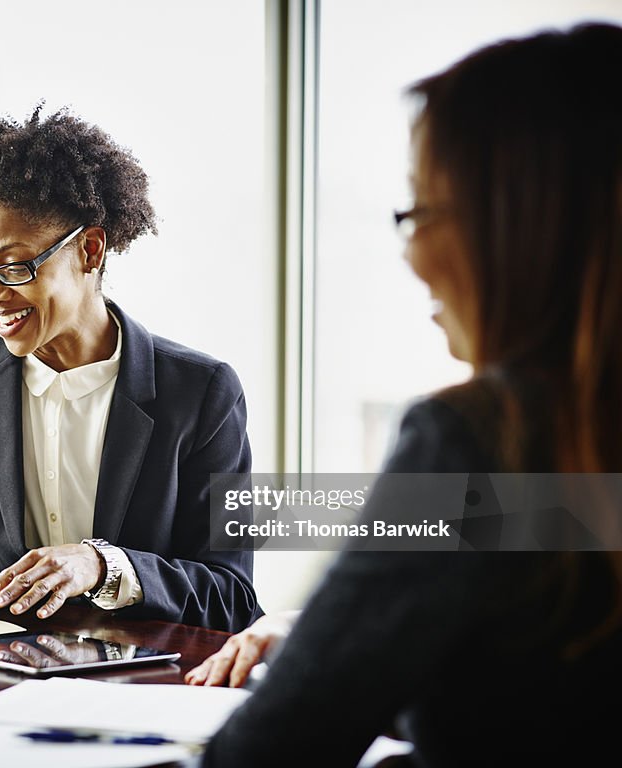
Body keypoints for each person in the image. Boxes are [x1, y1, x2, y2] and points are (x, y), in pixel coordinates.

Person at [192, 22, 622, 765]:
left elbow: (269, 755)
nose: (412, 252)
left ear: (517, 229)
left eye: (421, 211)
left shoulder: (478, 439)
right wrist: (346, 628)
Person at [0, 105, 262, 633]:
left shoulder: (201, 392)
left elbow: (232, 595)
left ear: (89, 249)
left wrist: (104, 565)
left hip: (144, 681)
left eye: (16, 266)